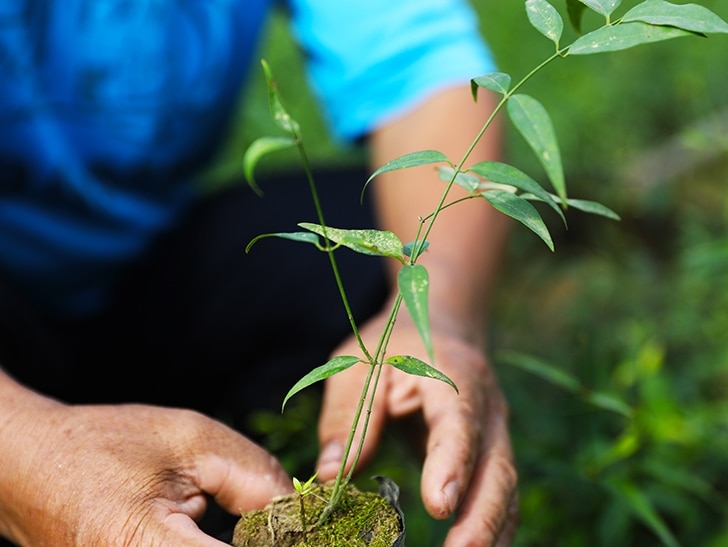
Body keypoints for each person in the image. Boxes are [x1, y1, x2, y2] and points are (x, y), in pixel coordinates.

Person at [0, 0, 518, 545]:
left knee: (354, 237)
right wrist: (26, 450)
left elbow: (419, 64)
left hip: (149, 277)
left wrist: (438, 314)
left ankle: (216, 489)